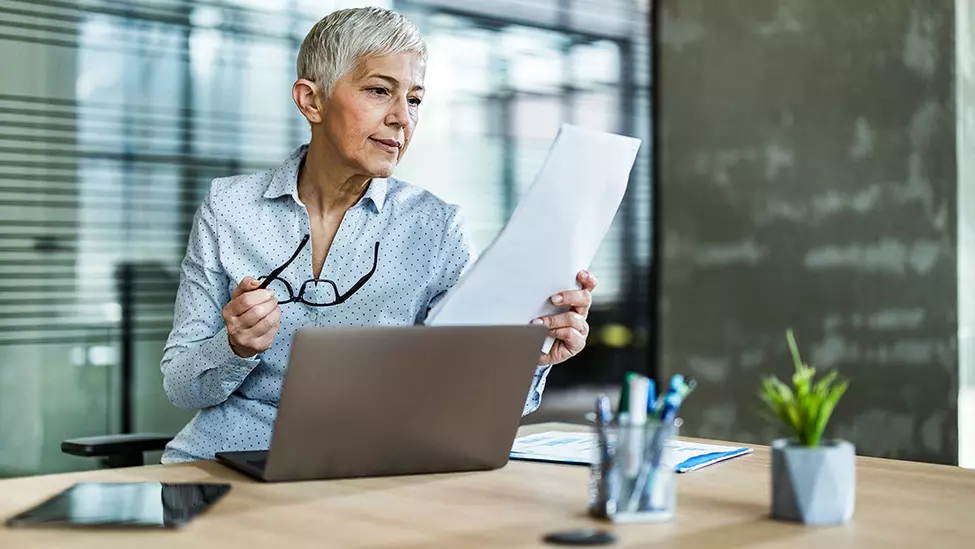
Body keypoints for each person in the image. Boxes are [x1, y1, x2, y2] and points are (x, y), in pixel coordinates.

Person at [159, 7, 598, 464]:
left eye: (414, 99)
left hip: (368, 467)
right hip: (226, 459)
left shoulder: (435, 227)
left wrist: (531, 355)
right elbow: (180, 384)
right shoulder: (228, 208)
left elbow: (465, 393)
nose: (402, 118)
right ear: (312, 101)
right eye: (378, 91)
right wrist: (234, 346)